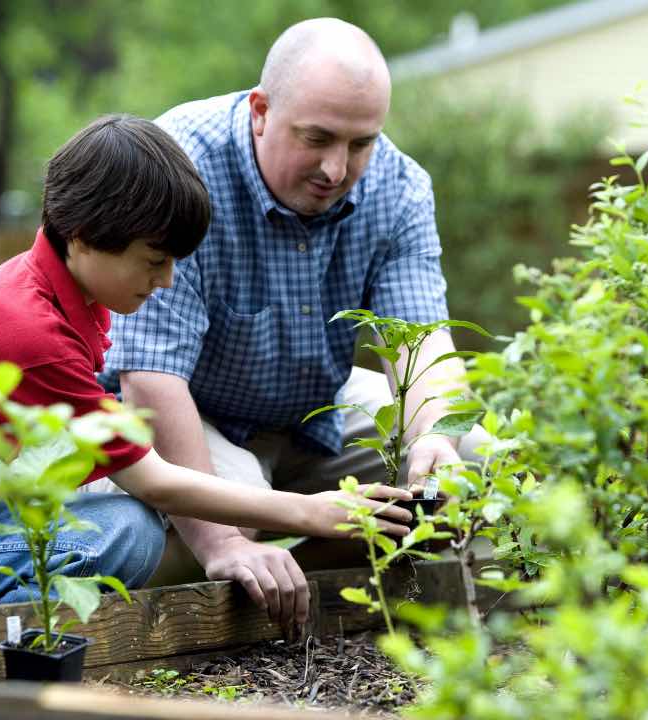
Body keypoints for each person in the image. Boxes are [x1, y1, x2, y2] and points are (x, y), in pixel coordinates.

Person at [0, 114, 412, 629]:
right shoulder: (28, 324)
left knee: (126, 534)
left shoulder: (77, 302)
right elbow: (156, 479)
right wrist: (309, 512)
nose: (166, 280)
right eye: (154, 260)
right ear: (84, 237)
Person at [100, 19, 483, 630]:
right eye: (318, 138)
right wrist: (223, 542)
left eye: (361, 144)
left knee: (476, 463)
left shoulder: (400, 187)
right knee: (231, 512)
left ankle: (303, 581)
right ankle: (216, 584)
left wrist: (434, 438)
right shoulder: (179, 167)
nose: (337, 167)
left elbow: (420, 342)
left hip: (315, 409)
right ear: (260, 111)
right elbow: (149, 381)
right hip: (192, 407)